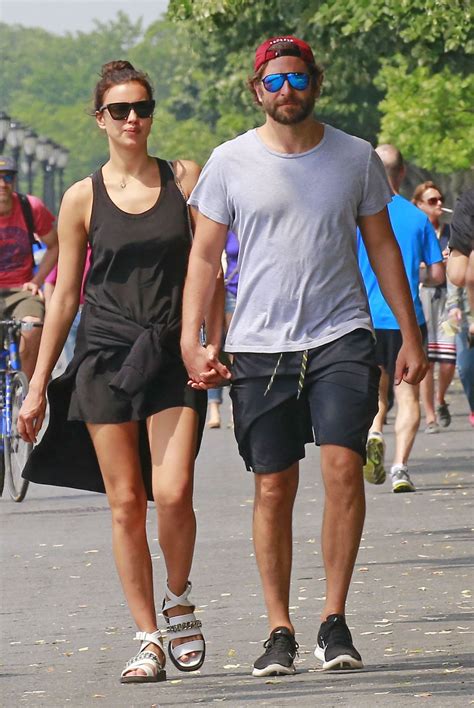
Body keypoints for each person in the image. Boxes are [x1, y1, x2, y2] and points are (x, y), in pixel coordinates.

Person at [180, 36, 428, 676]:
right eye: (274, 81)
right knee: (273, 484)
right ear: (257, 89)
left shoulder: (355, 157)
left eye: (297, 79)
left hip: (342, 334)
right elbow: (205, 257)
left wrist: (411, 332)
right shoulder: (229, 162)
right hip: (260, 346)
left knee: (344, 469)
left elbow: (381, 248)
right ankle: (279, 628)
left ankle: (334, 621)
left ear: (315, 82)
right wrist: (194, 337)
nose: (286, 91)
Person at [18, 61, 220, 683]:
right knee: (126, 503)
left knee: (176, 490)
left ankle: (179, 598)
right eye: (121, 110)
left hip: (169, 351)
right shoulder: (83, 196)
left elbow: (208, 267)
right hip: (104, 356)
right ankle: (147, 636)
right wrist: (36, 388)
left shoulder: (184, 179)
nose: (134, 119)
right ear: (99, 118)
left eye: (143, 107)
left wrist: (215, 340)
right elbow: (65, 296)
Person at [358, 146, 443, 492]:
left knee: (377, 394)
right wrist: (416, 273)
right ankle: (400, 468)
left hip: (364, 319)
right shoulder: (418, 218)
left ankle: (375, 431)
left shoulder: (357, 216)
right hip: (406, 319)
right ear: (403, 174)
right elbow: (438, 274)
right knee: (407, 396)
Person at [0, 155, 58, 378]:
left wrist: (36, 281)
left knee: (32, 326)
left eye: (8, 177)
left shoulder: (30, 207)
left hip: (22, 290)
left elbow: (54, 246)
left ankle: (27, 390)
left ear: (14, 181)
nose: (2, 184)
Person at [413, 181, 455, 432]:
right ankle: (429, 415)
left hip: (450, 300)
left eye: (440, 199)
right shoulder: (416, 230)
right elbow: (410, 264)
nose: (439, 204)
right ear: (418, 205)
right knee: (426, 359)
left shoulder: (451, 231)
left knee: (449, 359)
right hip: (424, 298)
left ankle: (440, 399)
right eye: (432, 201)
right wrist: (431, 265)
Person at [446, 188, 474, 426]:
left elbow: (458, 275)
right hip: (461, 314)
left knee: (465, 366)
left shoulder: (469, 200)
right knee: (464, 366)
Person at [207, 230, 239, 428]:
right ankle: (214, 408)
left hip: (250, 294)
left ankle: (235, 407)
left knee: (237, 352)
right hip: (230, 292)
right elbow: (216, 257)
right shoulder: (228, 230)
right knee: (216, 349)